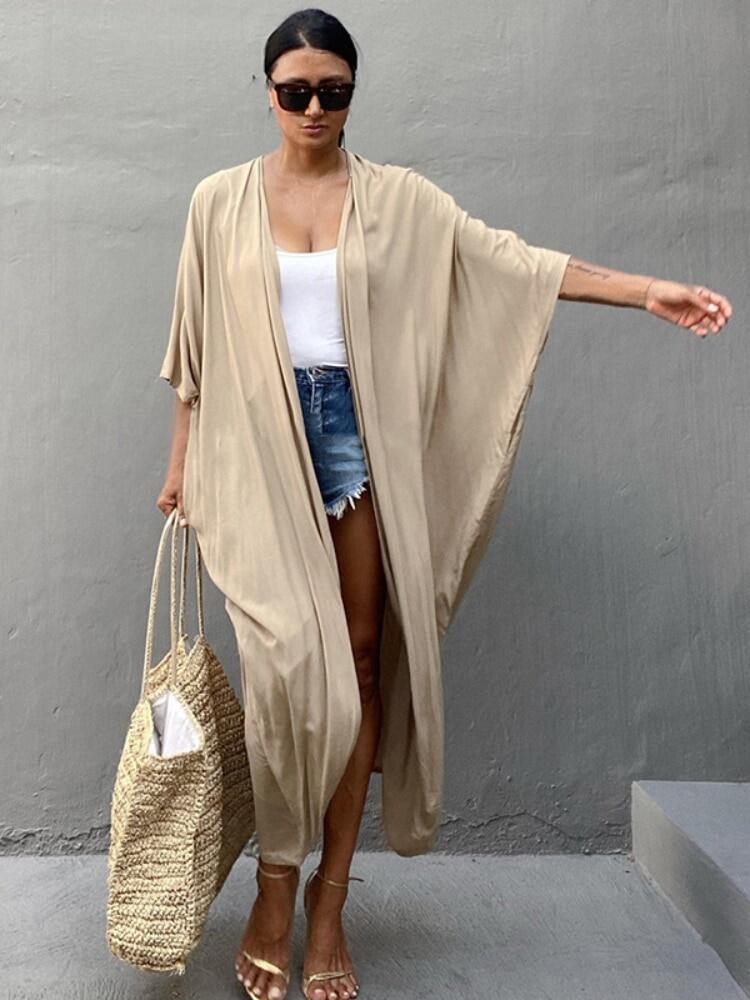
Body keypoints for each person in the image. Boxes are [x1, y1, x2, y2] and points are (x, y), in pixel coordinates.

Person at [155, 9, 732, 1000]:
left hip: (356, 447)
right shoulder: (218, 201)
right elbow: (193, 354)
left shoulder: (401, 201)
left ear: (353, 94)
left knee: (362, 662)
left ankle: (329, 898)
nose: (314, 108)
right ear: (268, 92)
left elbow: (510, 261)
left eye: (334, 91)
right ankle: (275, 880)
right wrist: (179, 467)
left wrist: (643, 289)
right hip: (251, 455)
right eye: (295, 91)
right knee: (289, 675)